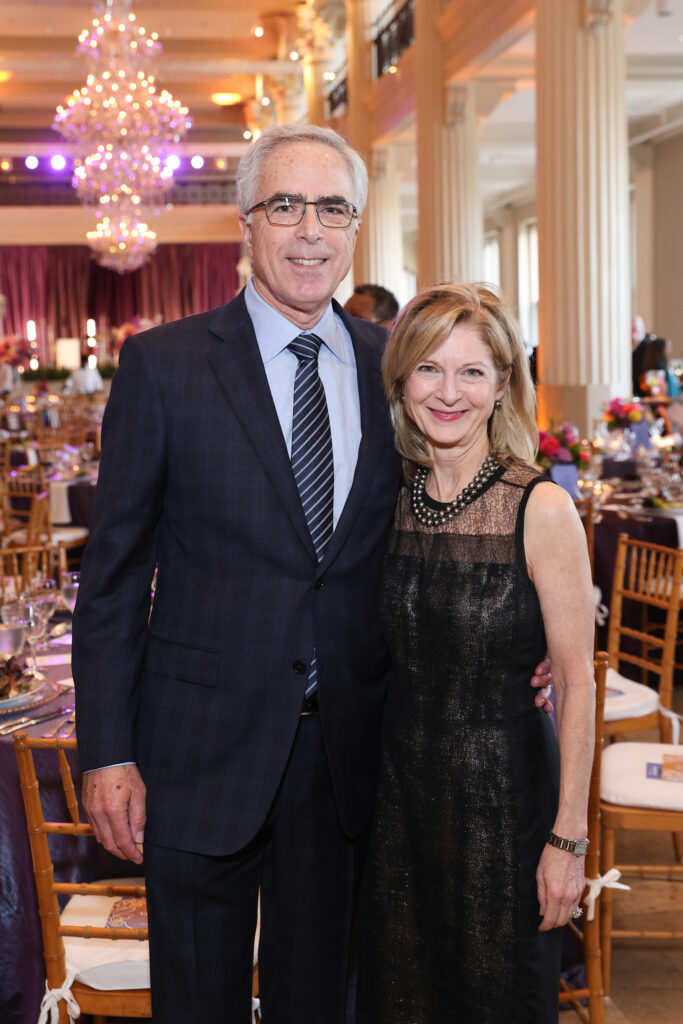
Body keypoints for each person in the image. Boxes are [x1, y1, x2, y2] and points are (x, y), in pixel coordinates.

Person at [72, 126, 551, 1024]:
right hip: (195, 753)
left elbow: (459, 510)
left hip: (349, 762)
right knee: (196, 1003)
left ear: (355, 227)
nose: (309, 230)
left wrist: (529, 632)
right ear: (246, 223)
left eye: (332, 208)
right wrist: (107, 752)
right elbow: (111, 581)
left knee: (320, 1002)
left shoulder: (396, 368)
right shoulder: (165, 365)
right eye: (284, 205)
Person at [357, 283, 596, 1024]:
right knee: (401, 997)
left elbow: (575, 683)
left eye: (470, 372)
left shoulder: (540, 508)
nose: (448, 392)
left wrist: (568, 839)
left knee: (497, 1000)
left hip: (505, 806)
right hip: (397, 805)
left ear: (501, 385)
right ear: (402, 382)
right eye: (428, 369)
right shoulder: (387, 499)